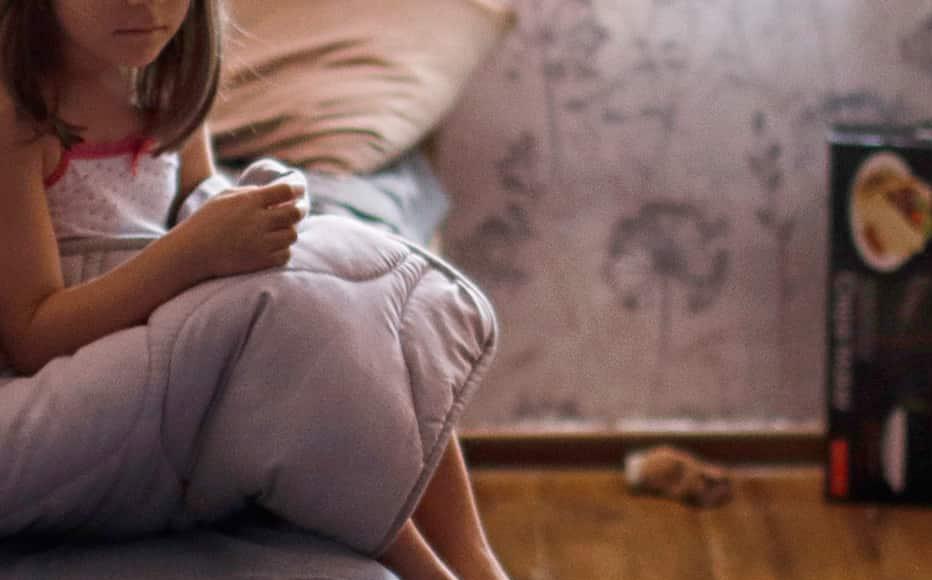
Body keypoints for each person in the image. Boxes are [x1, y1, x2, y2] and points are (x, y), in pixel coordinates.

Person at [0, 1, 507, 578]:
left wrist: (258, 206)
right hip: (52, 378)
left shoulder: (165, 89)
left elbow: (196, 198)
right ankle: (425, 566)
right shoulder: (17, 119)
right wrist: (195, 251)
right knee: (300, 326)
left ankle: (475, 560)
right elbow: (33, 335)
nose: (144, 5)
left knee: (357, 294)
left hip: (150, 330)